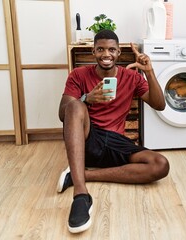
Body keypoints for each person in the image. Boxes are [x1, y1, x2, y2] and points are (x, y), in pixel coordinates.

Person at [57, 29, 170, 233]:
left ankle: (78, 175)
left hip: (116, 141)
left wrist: (149, 72)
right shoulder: (78, 75)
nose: (106, 54)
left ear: (119, 53)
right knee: (75, 106)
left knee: (160, 165)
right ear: (93, 52)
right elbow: (62, 113)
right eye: (100, 49)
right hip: (90, 139)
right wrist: (86, 99)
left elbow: (160, 105)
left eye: (111, 50)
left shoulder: (132, 78)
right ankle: (81, 195)